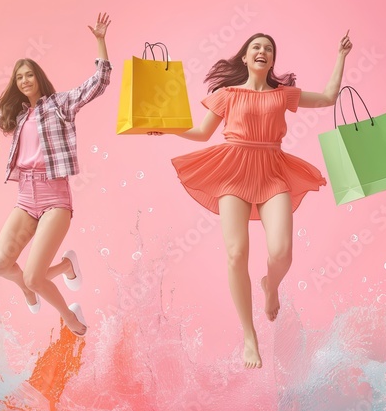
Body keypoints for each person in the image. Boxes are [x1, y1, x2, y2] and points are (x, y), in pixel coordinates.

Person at [151, 31, 353, 368]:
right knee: (236, 254)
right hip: (232, 171)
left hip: (272, 171)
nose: (262, 51)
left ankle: (269, 286)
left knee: (281, 252)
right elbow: (202, 133)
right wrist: (168, 127)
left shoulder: (283, 94)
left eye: (268, 49)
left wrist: (341, 56)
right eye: (255, 47)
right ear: (245, 57)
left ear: (272, 61)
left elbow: (330, 97)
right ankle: (249, 336)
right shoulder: (226, 94)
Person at [0, 13, 113, 337]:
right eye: (19, 77)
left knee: (34, 278)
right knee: (0, 264)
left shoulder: (59, 105)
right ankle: (62, 268)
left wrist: (100, 41)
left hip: (54, 199)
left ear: (38, 78)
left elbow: (98, 84)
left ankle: (70, 318)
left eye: (29, 75)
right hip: (25, 198)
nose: (24, 80)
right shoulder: (20, 116)